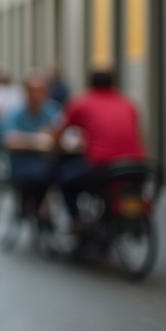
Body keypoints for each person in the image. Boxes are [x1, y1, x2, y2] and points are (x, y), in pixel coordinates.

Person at [55, 70, 146, 227]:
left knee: (65, 179)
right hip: (135, 168)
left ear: (90, 84)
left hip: (103, 168)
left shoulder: (81, 103)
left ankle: (77, 222)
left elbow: (60, 133)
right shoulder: (128, 103)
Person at [0, 72, 62, 218]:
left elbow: (62, 131)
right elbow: (9, 140)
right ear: (25, 93)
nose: (37, 96)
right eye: (33, 91)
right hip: (22, 162)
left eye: (41, 91)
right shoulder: (14, 113)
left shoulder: (52, 109)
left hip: (47, 161)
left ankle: (40, 209)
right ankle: (36, 208)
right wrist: (37, 139)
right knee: (42, 175)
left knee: (64, 173)